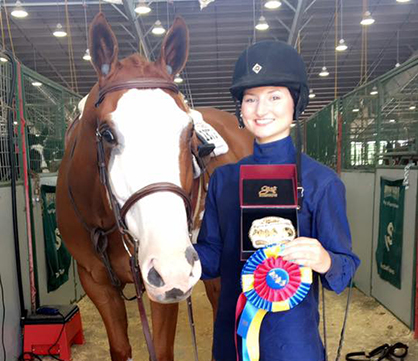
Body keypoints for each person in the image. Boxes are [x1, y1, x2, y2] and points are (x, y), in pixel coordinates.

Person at [194, 40, 360, 361]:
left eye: (274, 97)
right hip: (233, 338)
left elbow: (346, 266)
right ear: (241, 109)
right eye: (250, 99)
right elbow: (212, 257)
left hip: (293, 342)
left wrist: (324, 258)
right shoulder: (224, 181)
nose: (261, 109)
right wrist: (177, 255)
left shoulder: (322, 183)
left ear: (295, 102)